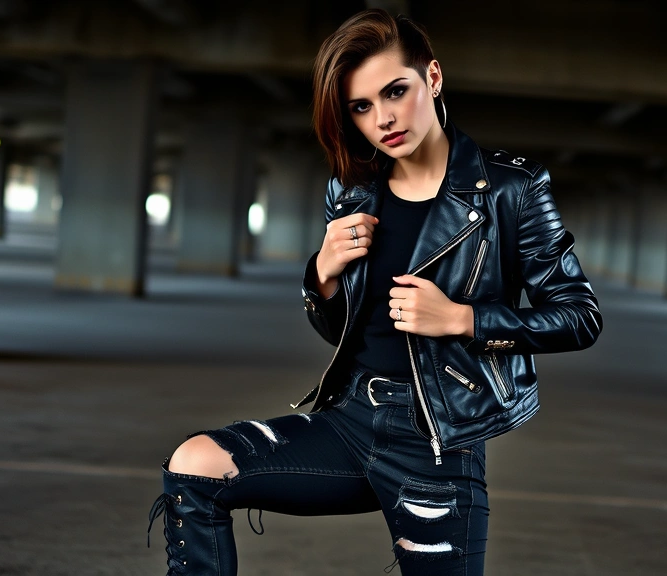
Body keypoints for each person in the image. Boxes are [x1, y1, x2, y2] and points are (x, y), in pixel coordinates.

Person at [148, 8, 602, 575]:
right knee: (195, 464)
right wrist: (323, 275)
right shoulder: (353, 189)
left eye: (395, 91)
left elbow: (580, 316)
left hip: (435, 441)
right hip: (351, 418)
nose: (383, 118)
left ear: (432, 79)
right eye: (361, 107)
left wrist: (463, 319)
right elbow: (344, 331)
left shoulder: (510, 189)